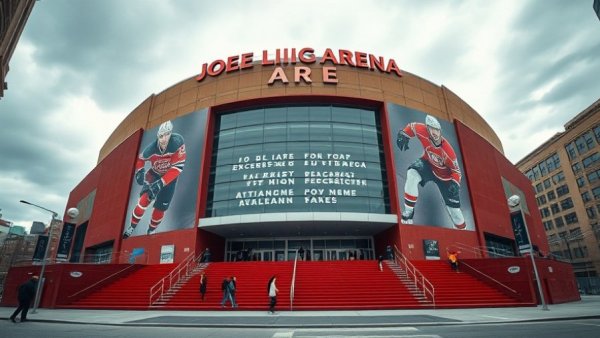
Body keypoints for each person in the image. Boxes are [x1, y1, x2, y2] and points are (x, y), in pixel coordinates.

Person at [396, 115, 466, 230]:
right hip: (427, 164)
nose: (434, 132)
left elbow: (456, 171)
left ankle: (462, 233)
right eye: (431, 129)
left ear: (440, 131)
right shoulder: (421, 129)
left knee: (456, 214)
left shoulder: (448, 151)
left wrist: (455, 183)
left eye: (436, 129)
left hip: (446, 178)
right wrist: (403, 134)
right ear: (427, 129)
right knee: (412, 174)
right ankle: (408, 212)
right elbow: (411, 127)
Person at [123, 120, 186, 238]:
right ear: (158, 136)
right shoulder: (151, 148)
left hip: (169, 179)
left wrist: (161, 183)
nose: (164, 138)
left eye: (167, 134)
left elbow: (178, 167)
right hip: (154, 175)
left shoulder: (177, 142)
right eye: (161, 135)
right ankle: (132, 226)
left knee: (160, 208)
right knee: (143, 202)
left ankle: (151, 230)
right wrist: (140, 171)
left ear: (171, 133)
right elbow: (140, 159)